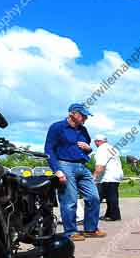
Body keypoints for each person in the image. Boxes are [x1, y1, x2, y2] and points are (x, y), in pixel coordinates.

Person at [44, 103, 105, 241]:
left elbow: (87, 147)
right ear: (72, 113)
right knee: (69, 200)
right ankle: (70, 232)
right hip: (64, 165)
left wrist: (88, 149)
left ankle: (90, 229)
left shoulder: (83, 130)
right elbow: (49, 150)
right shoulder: (57, 127)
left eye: (86, 115)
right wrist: (57, 170)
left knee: (94, 197)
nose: (86, 118)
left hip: (82, 166)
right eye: (83, 115)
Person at [92, 134, 123, 221]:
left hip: (107, 176)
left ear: (98, 141)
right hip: (116, 175)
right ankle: (109, 214)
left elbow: (100, 166)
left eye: (95, 142)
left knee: (107, 196)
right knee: (111, 195)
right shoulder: (112, 148)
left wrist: (93, 177)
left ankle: (114, 216)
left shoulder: (101, 149)